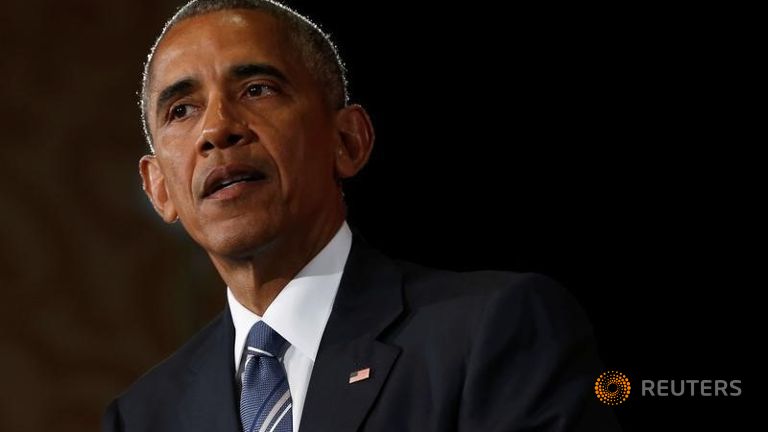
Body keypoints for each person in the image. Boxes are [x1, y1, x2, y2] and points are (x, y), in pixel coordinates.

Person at [103, 1, 621, 431]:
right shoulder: (144, 416)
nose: (218, 128)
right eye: (181, 111)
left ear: (348, 141)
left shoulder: (493, 333)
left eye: (257, 89)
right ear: (158, 189)